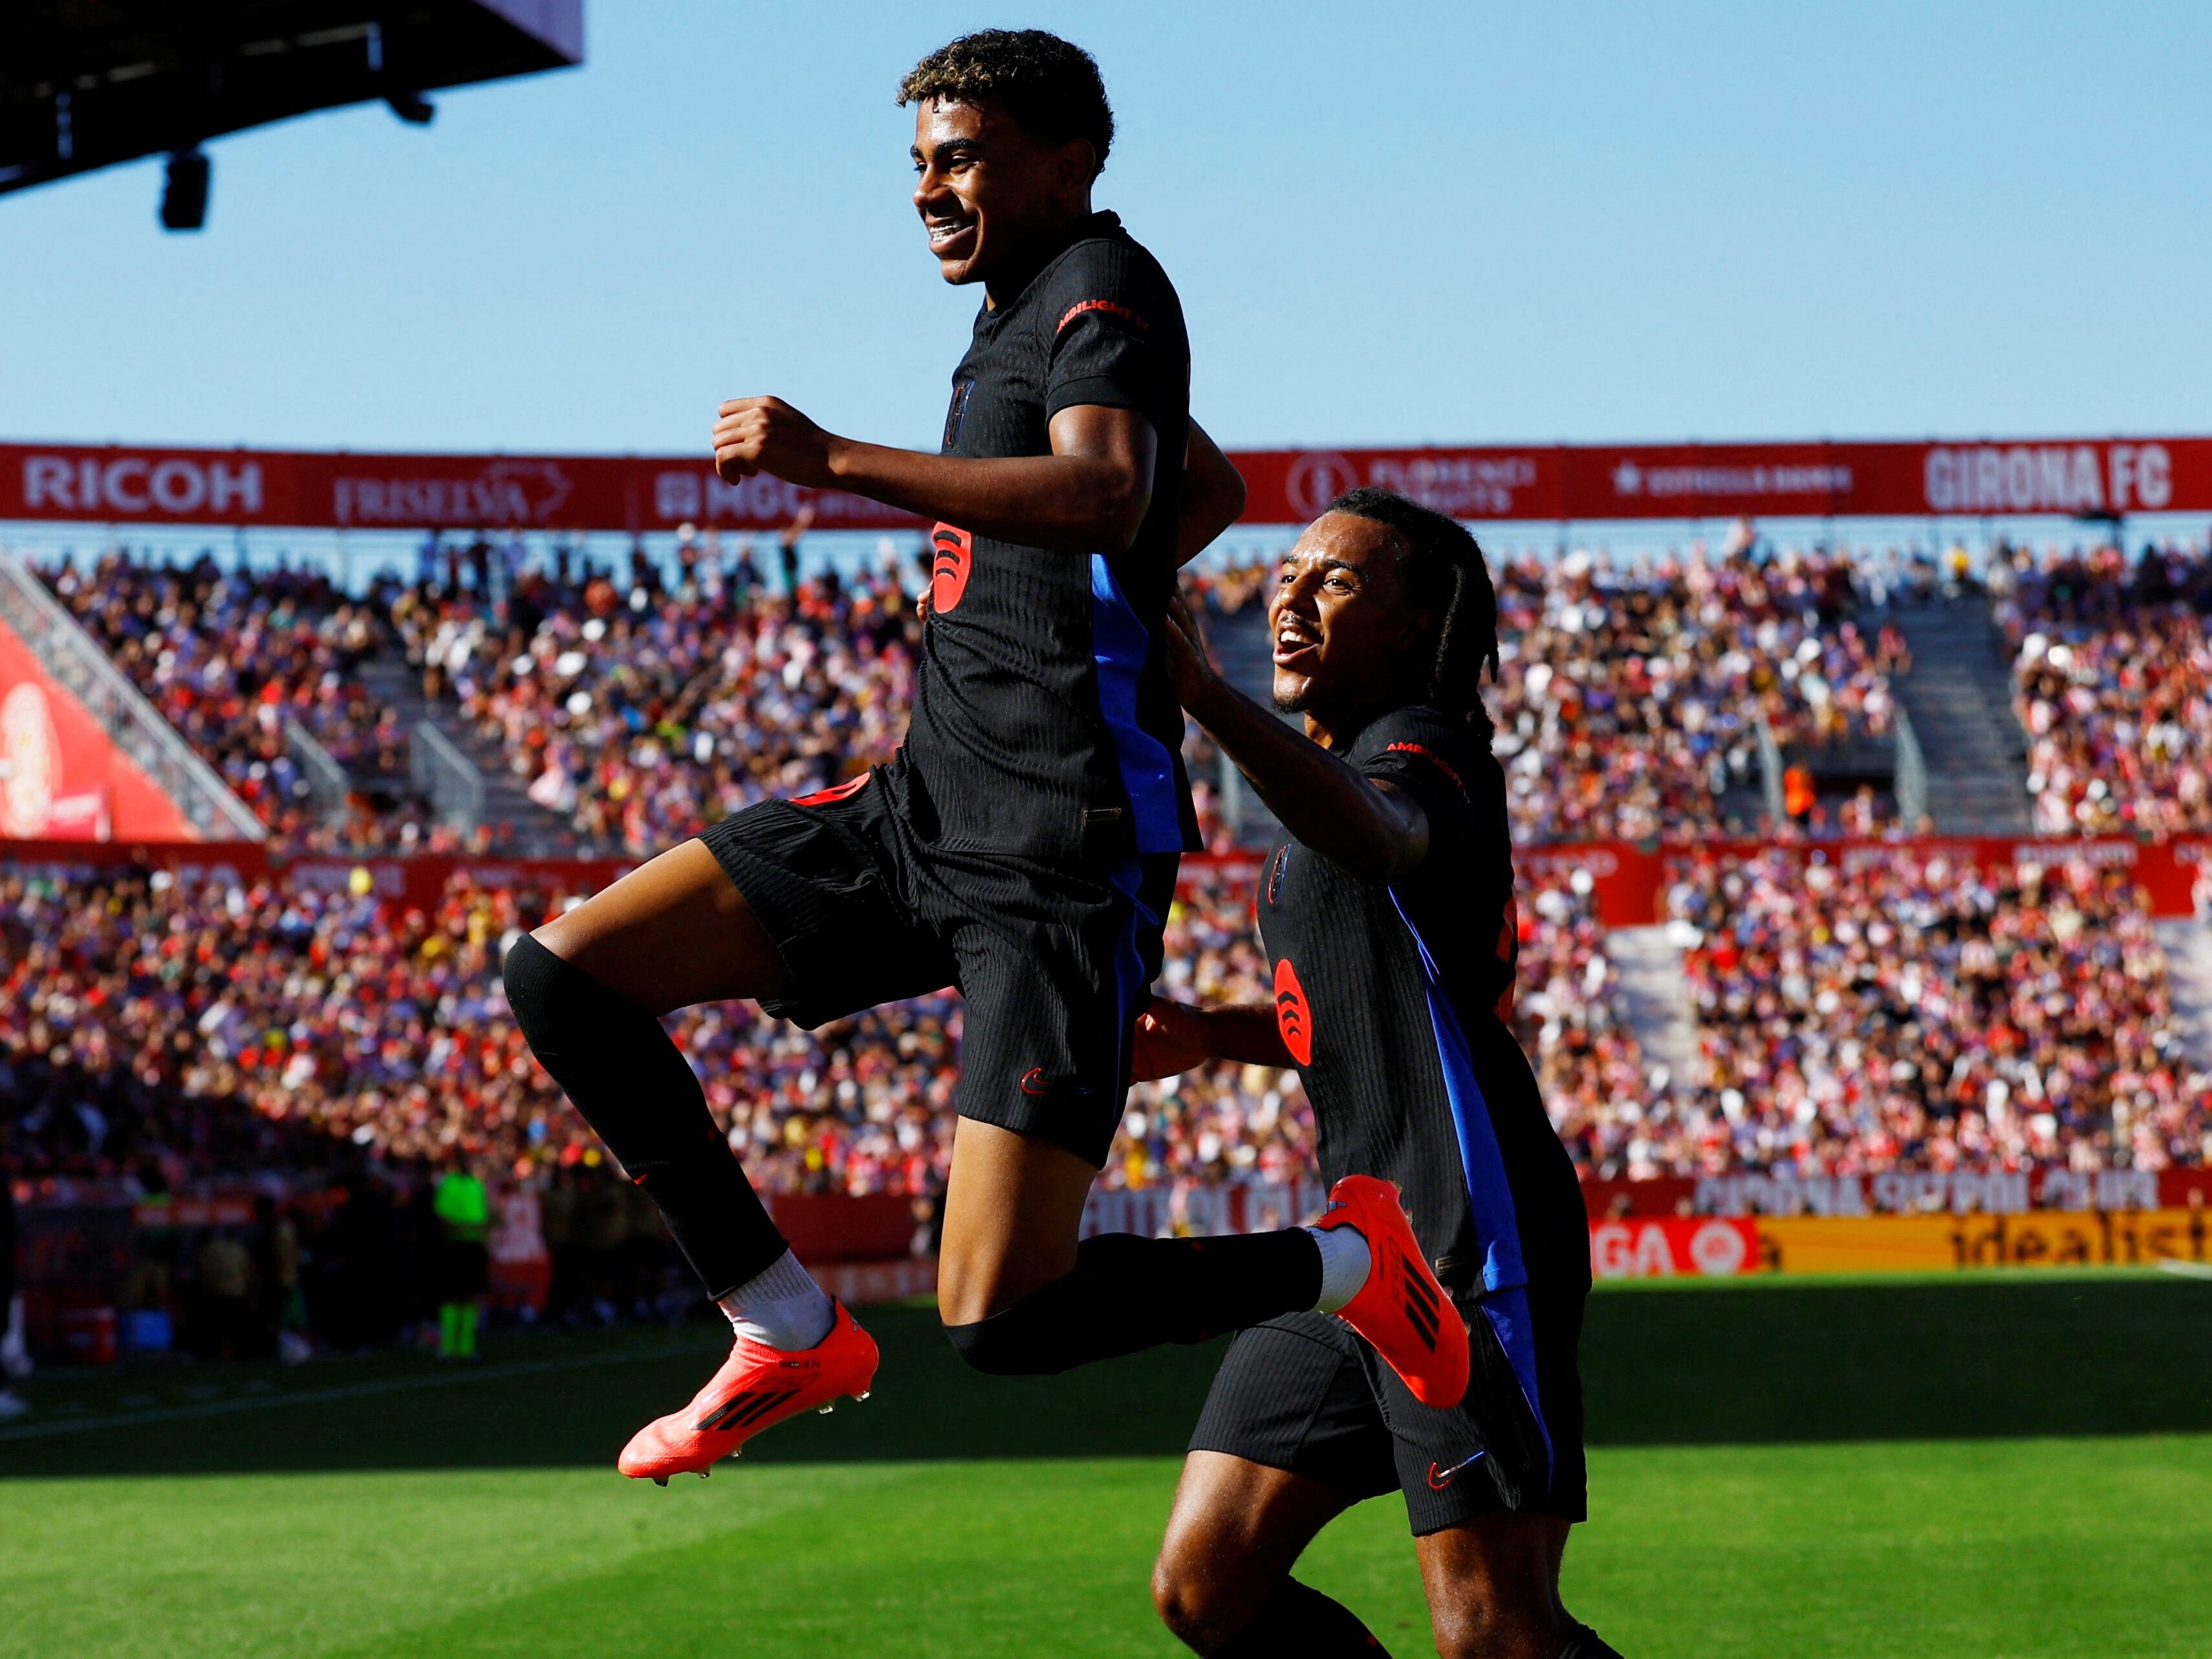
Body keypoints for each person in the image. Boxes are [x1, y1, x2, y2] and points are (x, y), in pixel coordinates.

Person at [502, 29, 1463, 1483]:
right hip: (922, 808)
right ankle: (781, 1321)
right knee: (562, 971)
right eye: (919, 164)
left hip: (1058, 851)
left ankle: (1349, 1261)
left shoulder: (1104, 283)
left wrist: (835, 463)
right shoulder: (1022, 310)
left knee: (1001, 1315)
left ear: (1075, 157)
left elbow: (1109, 484)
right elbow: (1201, 485)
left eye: (963, 157)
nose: (930, 189)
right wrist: (1127, 580)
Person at [1134, 490, 1618, 1658]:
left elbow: (1385, 830)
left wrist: (1206, 699)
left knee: (1495, 1634)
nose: (1290, 598)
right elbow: (1352, 1013)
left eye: (1335, 582)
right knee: (1206, 1589)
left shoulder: (1425, 749)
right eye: (1288, 575)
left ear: (1411, 626)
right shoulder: (1335, 780)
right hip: (1361, 1253)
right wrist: (1211, 1031)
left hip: (1469, 1234)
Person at [434, 1162, 492, 1361]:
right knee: (457, 1295)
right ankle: (453, 1346)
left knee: (466, 1296)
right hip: (460, 1247)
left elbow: (443, 1217)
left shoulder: (468, 1185)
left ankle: (460, 1347)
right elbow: (444, 1218)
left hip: (465, 1247)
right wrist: (472, 1227)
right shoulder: (459, 1185)